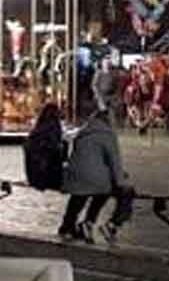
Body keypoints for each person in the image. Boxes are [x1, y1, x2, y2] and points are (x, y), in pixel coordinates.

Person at [59, 108, 133, 243]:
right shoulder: (107, 135)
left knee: (83, 192)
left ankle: (70, 225)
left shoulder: (81, 133)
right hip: (96, 181)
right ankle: (112, 224)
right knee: (123, 191)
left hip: (75, 177)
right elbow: (114, 162)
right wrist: (122, 182)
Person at [24, 103, 66, 193]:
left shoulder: (38, 128)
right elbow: (54, 147)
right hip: (46, 172)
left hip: (35, 173)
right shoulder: (53, 126)